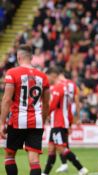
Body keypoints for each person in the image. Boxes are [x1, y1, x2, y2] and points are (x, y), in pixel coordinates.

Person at [0, 44, 50, 175]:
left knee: (10, 155)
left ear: (18, 57)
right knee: (34, 161)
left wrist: (1, 123)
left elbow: (6, 99)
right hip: (37, 121)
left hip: (17, 120)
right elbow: (46, 104)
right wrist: (42, 121)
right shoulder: (43, 76)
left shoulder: (12, 73)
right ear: (32, 57)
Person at [42, 68, 88, 175]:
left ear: (53, 75)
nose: (47, 80)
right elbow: (68, 107)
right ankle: (45, 173)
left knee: (62, 148)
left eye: (47, 77)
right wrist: (71, 122)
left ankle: (81, 168)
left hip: (59, 123)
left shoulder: (58, 87)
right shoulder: (65, 87)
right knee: (51, 149)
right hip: (58, 122)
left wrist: (44, 115)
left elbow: (52, 105)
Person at [54, 71, 81, 173]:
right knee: (62, 142)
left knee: (59, 143)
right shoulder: (74, 86)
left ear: (63, 76)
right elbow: (77, 102)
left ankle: (78, 166)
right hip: (68, 114)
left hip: (61, 115)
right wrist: (77, 117)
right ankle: (65, 164)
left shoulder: (60, 84)